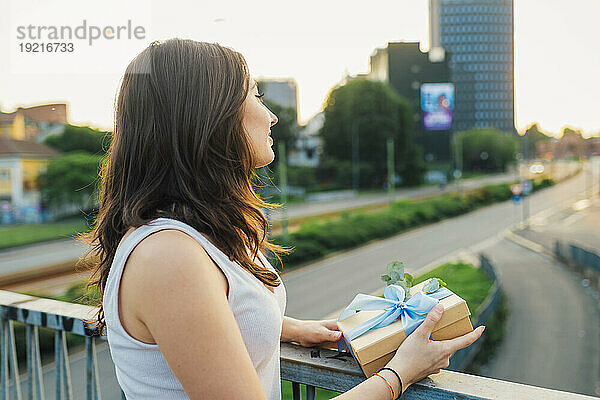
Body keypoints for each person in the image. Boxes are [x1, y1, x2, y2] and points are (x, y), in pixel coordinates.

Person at [83, 38, 485, 400]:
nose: (271, 116)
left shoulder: (190, 238)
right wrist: (400, 374)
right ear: (208, 117)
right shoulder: (168, 257)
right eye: (255, 96)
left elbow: (208, 320)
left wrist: (284, 326)